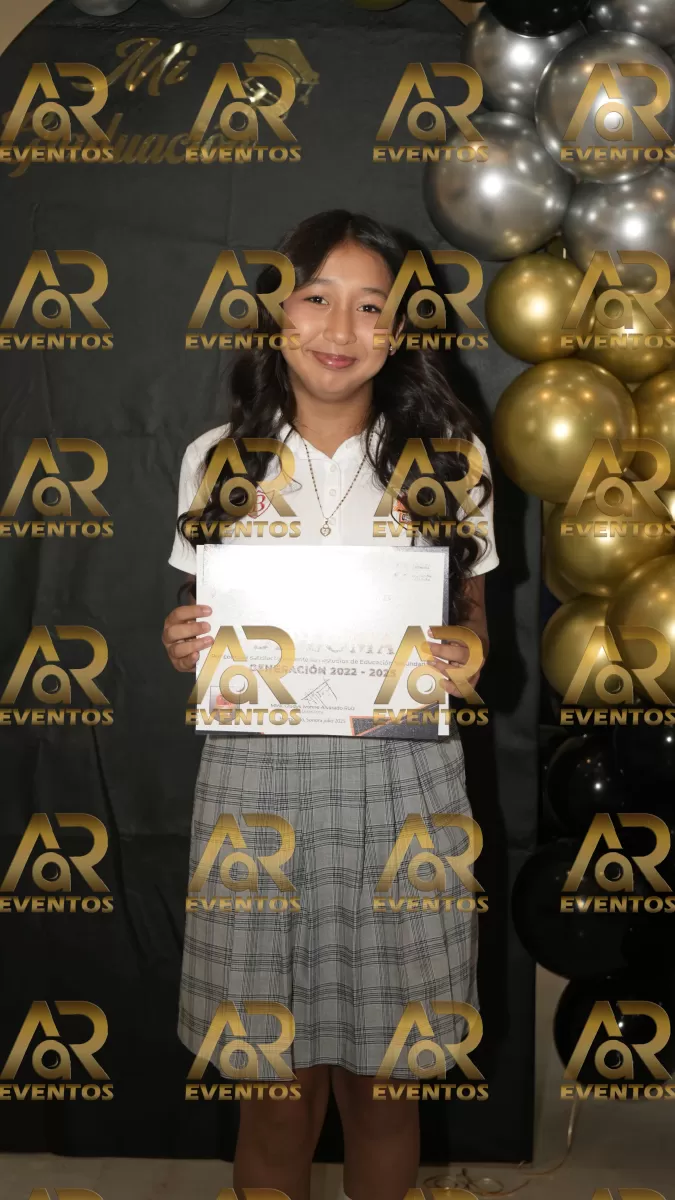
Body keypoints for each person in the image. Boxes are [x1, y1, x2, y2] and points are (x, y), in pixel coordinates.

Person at [162, 209, 498, 1200]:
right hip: (254, 791)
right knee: (273, 1093)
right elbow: (196, 610)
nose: (340, 329)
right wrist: (181, 639)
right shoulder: (215, 457)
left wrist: (471, 650)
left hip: (403, 786)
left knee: (386, 1089)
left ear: (402, 329)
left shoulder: (452, 456)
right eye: (317, 298)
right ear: (279, 314)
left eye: (371, 306)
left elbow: (473, 613)